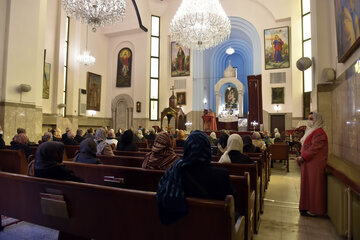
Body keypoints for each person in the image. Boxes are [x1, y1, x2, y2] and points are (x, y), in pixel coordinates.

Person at [156, 130, 238, 224]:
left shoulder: (176, 173)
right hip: (214, 230)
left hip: (180, 230)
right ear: (207, 150)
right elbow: (235, 206)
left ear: (186, 149)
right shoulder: (221, 176)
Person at [296, 112, 328, 217]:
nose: (309, 121)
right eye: (308, 118)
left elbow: (314, 148)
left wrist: (303, 157)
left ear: (317, 120)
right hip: (308, 163)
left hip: (314, 164)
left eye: (311, 119)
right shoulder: (312, 131)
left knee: (314, 187)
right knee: (307, 186)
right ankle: (306, 206)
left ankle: (315, 209)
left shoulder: (319, 132)